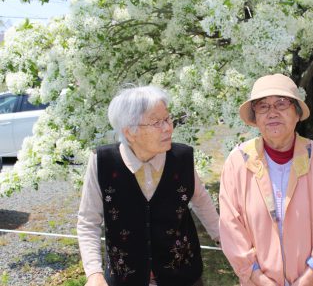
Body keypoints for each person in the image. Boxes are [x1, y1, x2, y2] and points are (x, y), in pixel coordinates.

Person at [77, 85, 220, 286]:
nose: (168, 127)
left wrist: (225, 240)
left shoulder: (182, 158)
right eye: (156, 122)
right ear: (130, 132)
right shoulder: (103, 162)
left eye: (168, 119)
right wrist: (94, 273)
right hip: (125, 278)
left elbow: (202, 202)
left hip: (183, 276)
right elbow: (88, 221)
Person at [219, 74, 313, 286]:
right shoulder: (238, 162)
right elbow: (231, 228)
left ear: (297, 113)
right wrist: (259, 279)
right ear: (255, 117)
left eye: (281, 103)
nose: (272, 113)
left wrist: (307, 280)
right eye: (263, 106)